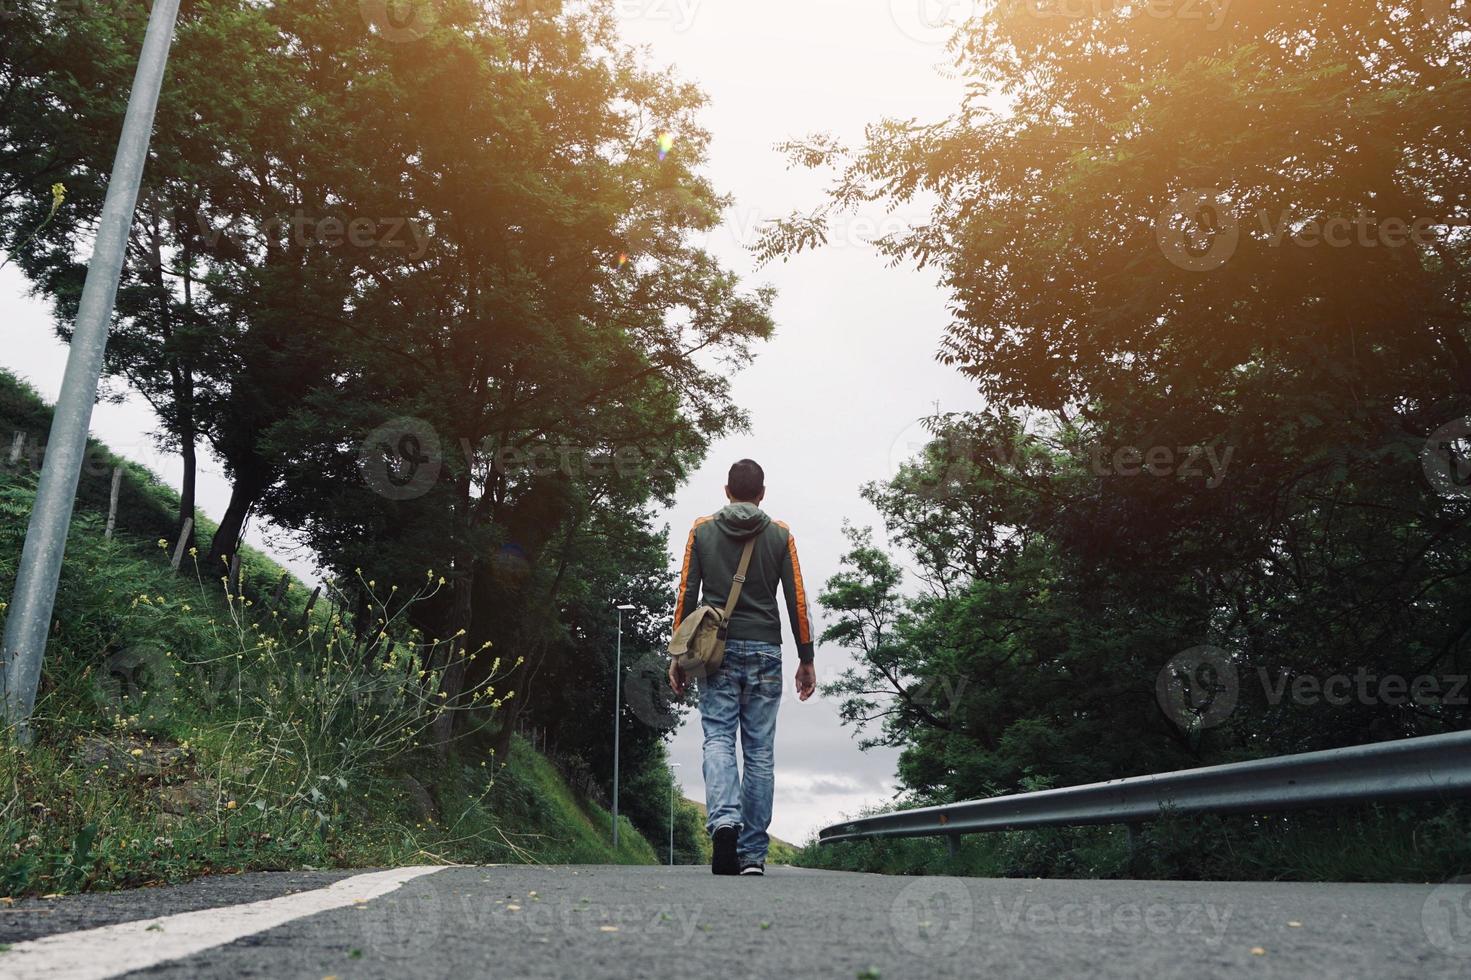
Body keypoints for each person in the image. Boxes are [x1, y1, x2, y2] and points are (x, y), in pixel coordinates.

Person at [669, 459, 816, 876]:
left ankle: (725, 826)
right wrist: (806, 656)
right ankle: (752, 853)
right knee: (759, 751)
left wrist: (677, 655)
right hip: (767, 651)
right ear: (762, 494)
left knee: (717, 738)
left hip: (716, 651)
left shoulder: (701, 530)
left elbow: (686, 593)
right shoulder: (781, 534)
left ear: (727, 491)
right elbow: (797, 601)